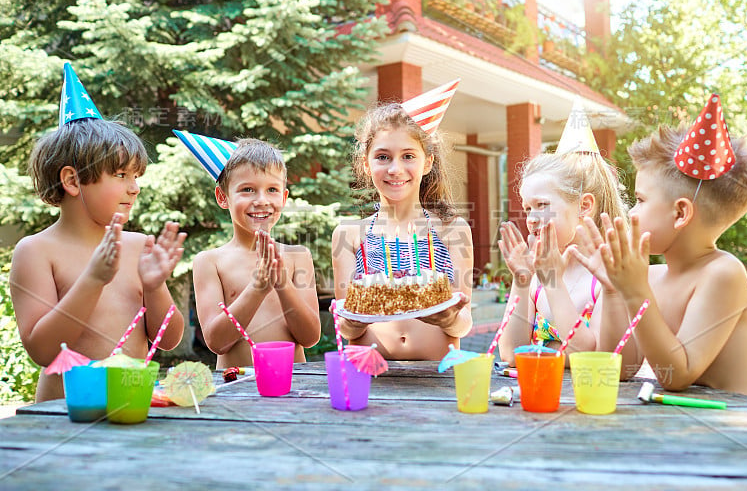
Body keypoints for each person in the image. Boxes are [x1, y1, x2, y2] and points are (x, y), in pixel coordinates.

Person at [9, 63, 186, 402]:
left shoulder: (138, 246)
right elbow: (44, 351)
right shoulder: (36, 251)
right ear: (73, 181)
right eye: (121, 175)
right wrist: (92, 280)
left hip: (132, 405)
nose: (134, 188)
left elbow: (168, 339)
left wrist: (154, 288)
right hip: (66, 415)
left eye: (137, 177)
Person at [571, 94, 747, 400]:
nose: (631, 213)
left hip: (736, 436)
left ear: (680, 213)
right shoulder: (651, 277)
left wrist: (635, 292)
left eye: (641, 200)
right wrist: (612, 291)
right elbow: (621, 368)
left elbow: (678, 374)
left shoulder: (723, 274)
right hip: (683, 432)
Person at [331, 80, 473, 360]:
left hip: (437, 375)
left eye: (408, 156)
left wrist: (447, 319)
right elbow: (348, 328)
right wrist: (352, 321)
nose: (396, 169)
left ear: (428, 162)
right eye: (383, 157)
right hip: (371, 376)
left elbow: (464, 322)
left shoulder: (452, 230)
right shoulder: (348, 234)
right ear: (365, 163)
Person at [498, 100, 629, 367]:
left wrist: (552, 281)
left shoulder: (607, 274)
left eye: (542, 205)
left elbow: (589, 358)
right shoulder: (534, 277)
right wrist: (522, 279)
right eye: (527, 208)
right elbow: (510, 354)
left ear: (584, 206)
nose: (531, 219)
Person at [185, 135, 320, 368]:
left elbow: (309, 338)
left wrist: (282, 285)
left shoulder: (298, 256)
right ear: (222, 197)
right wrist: (257, 289)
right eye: (247, 189)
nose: (261, 200)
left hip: (292, 384)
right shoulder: (210, 262)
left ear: (284, 197)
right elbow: (217, 343)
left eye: (272, 190)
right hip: (235, 387)